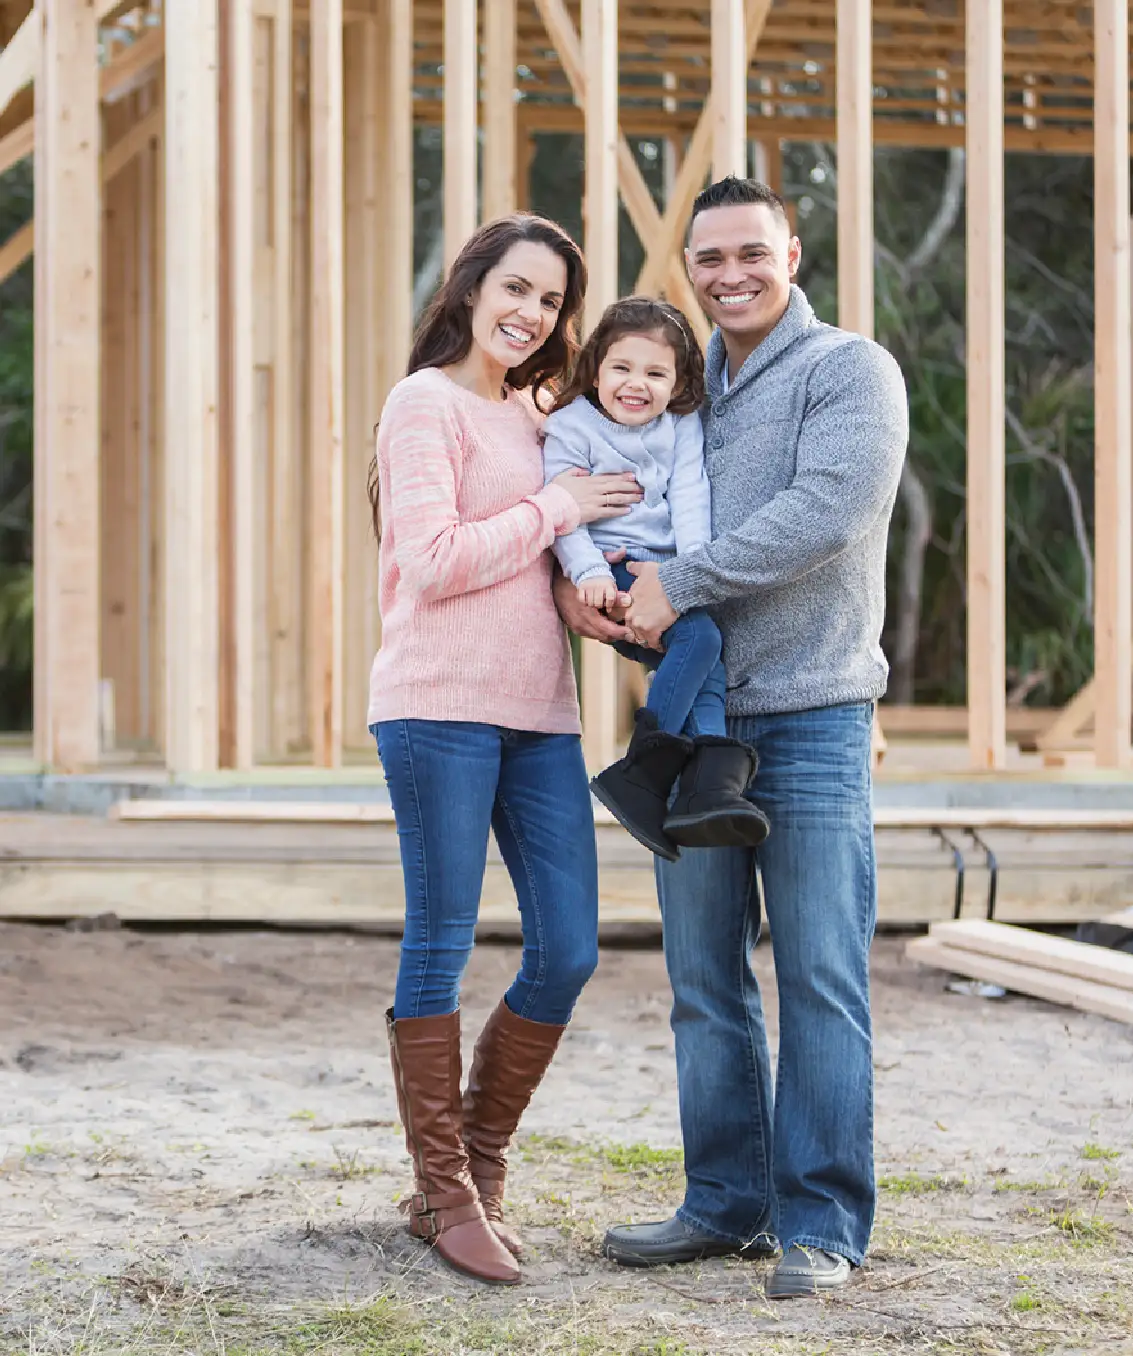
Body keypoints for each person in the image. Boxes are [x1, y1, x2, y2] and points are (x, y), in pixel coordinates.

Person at [556, 177, 909, 1299]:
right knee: (705, 976)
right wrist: (604, 605)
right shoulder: (676, 391)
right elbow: (633, 536)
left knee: (816, 974)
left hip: (807, 716)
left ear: (791, 253)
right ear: (691, 270)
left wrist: (676, 583)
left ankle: (821, 1224)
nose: (731, 274)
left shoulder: (848, 371)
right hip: (692, 720)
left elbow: (825, 514)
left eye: (751, 252)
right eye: (710, 259)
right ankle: (724, 1202)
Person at [366, 213, 643, 1286]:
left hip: (540, 713)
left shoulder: (541, 417)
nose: (532, 315)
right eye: (517, 289)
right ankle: (445, 1192)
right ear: (472, 285)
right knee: (439, 936)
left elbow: (539, 561)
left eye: (552, 302)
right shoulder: (422, 404)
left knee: (569, 945)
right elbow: (431, 562)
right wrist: (553, 505)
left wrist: (596, 598)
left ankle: (478, 1161)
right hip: (436, 705)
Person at [542, 296, 769, 860]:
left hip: (667, 571)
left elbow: (690, 494)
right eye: (621, 368)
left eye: (655, 373)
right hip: (609, 564)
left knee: (701, 652)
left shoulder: (679, 425)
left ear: (678, 381)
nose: (635, 384)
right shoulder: (572, 426)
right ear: (596, 370)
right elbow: (561, 510)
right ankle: (647, 767)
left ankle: (707, 782)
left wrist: (687, 575)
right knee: (703, 641)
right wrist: (589, 571)